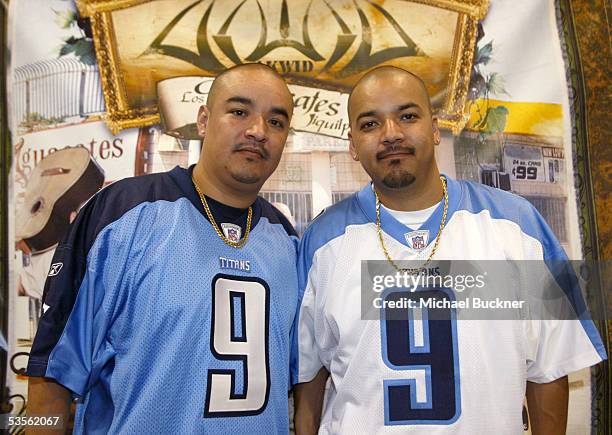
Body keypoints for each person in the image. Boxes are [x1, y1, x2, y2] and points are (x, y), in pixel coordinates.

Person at [292, 66, 607, 434]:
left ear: (435, 128)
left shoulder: (519, 225)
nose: (392, 134)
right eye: (370, 124)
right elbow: (308, 379)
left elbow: (550, 368)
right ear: (352, 144)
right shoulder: (322, 241)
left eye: (408, 116)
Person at [26, 63, 299, 434]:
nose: (257, 131)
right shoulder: (120, 213)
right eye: (238, 112)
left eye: (276, 122)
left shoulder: (287, 239)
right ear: (203, 120)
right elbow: (51, 379)